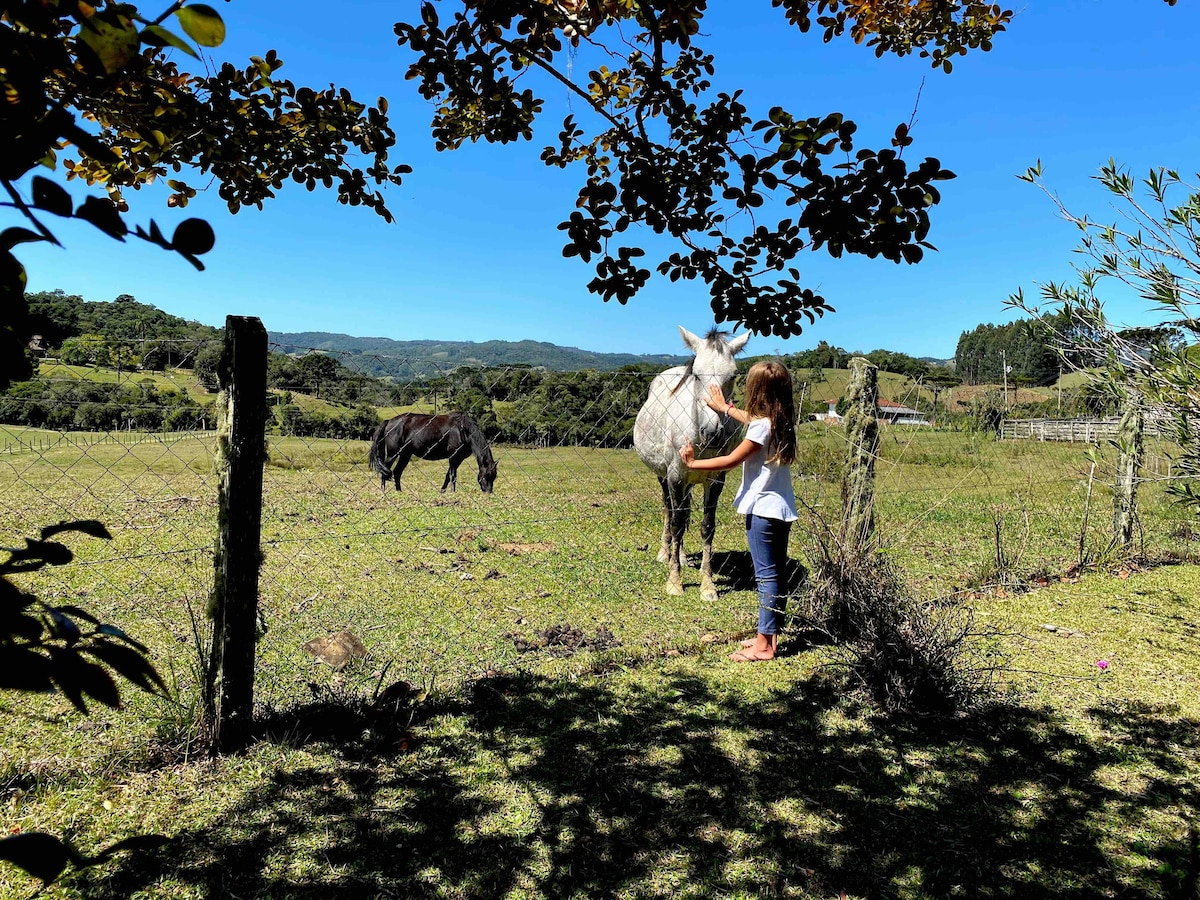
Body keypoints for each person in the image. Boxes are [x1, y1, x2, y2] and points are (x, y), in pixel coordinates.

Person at [679, 360, 798, 662]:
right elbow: (752, 419)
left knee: (766, 577)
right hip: (781, 508)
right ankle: (768, 636)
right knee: (776, 575)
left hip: (762, 511)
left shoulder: (761, 426)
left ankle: (764, 647)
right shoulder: (780, 419)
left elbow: (731, 460)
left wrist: (693, 464)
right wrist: (725, 408)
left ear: (756, 390)